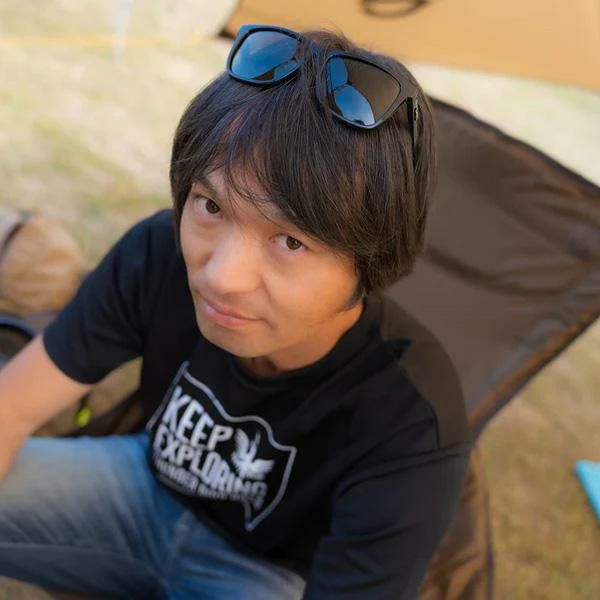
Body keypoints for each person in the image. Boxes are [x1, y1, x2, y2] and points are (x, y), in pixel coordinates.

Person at [0, 23, 471, 600]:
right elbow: (10, 407)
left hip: (269, 576)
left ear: (371, 260)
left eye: (291, 241)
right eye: (211, 206)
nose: (221, 277)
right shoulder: (158, 254)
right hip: (138, 491)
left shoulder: (411, 417)